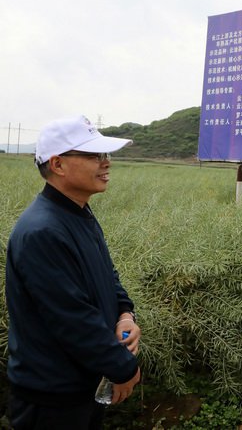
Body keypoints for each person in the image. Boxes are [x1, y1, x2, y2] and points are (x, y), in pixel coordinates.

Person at [5, 115, 141, 430]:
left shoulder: (78, 212)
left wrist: (125, 313)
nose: (106, 163)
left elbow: (107, 275)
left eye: (106, 155)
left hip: (82, 386)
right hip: (52, 397)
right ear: (58, 165)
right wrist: (123, 367)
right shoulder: (42, 231)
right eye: (94, 156)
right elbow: (72, 319)